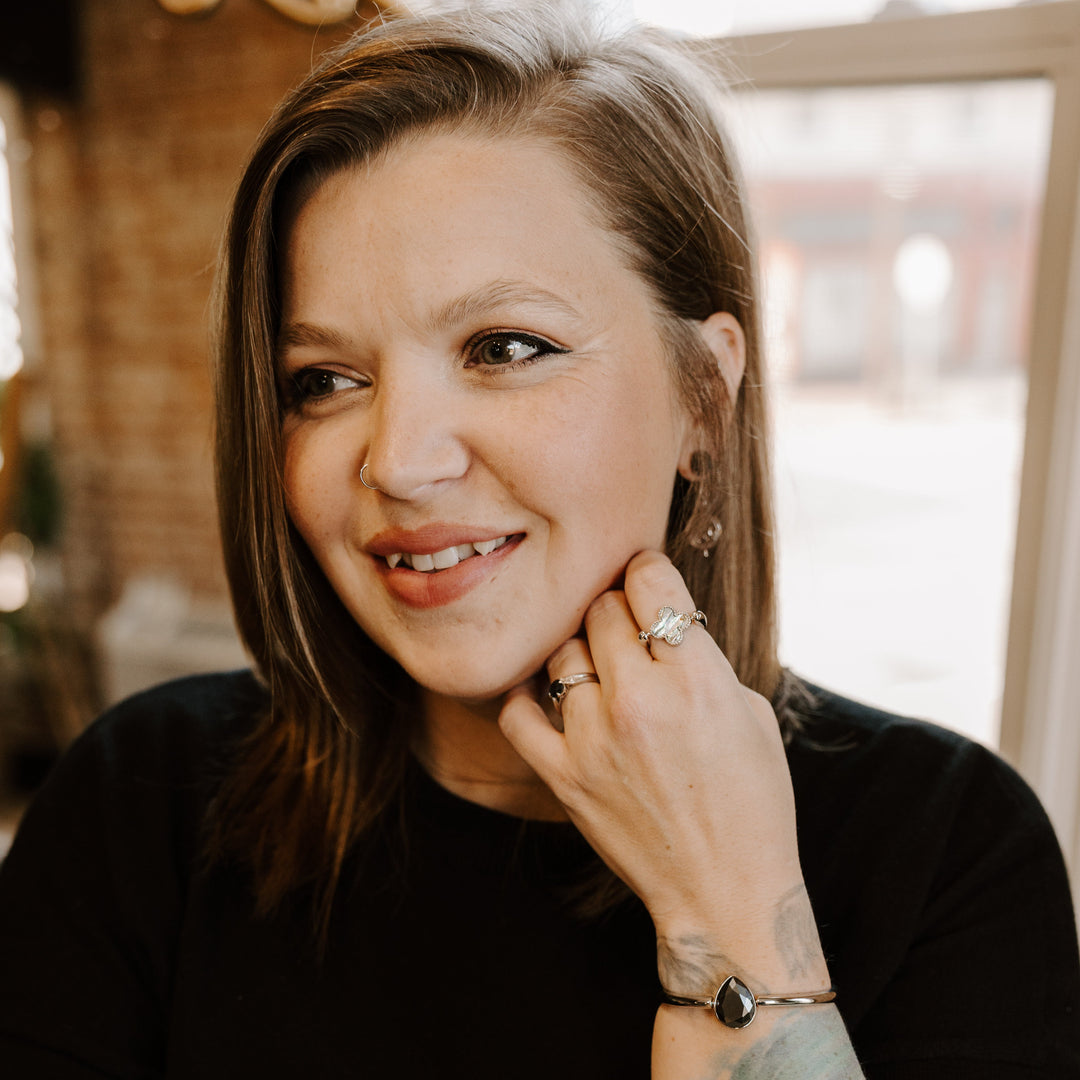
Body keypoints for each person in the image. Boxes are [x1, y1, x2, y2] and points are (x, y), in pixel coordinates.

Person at [1, 5, 1078, 1078]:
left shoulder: (947, 855)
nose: (400, 462)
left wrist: (733, 926)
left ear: (702, 399)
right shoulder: (137, 809)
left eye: (505, 346)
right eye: (323, 381)